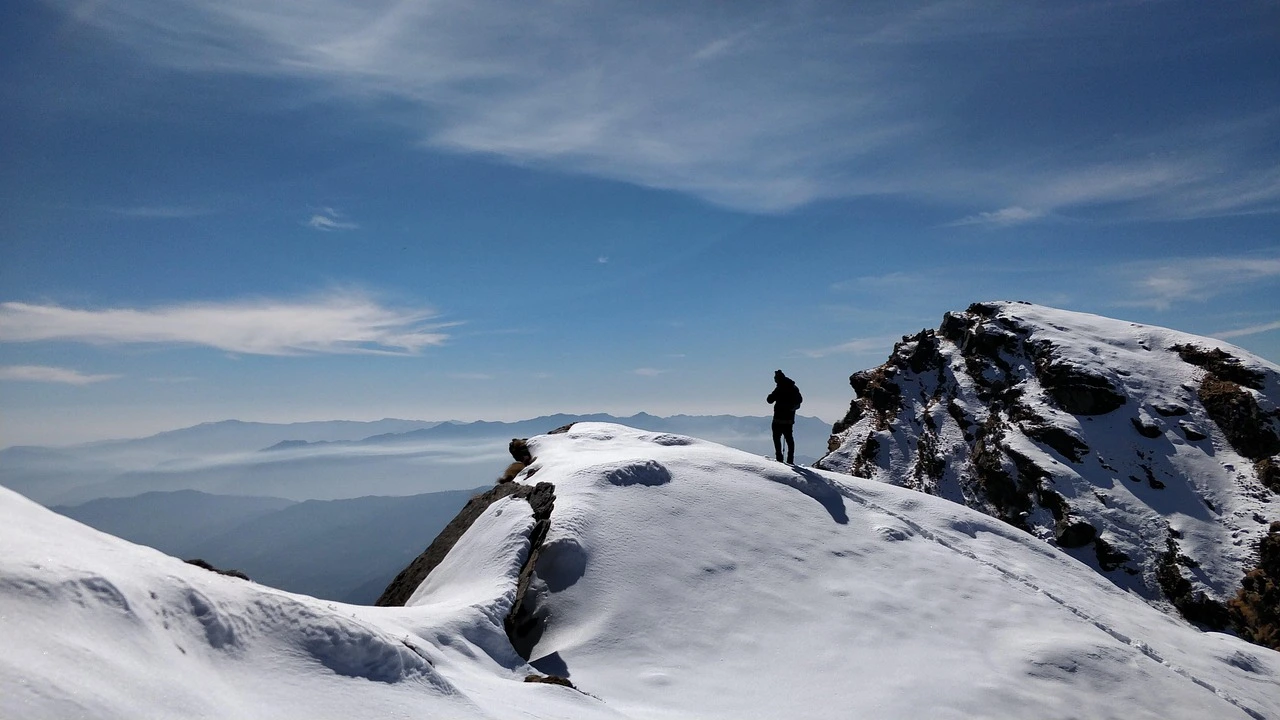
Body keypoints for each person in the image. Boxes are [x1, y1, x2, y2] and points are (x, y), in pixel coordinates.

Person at [767, 369, 802, 463]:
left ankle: (779, 458)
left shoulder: (779, 388)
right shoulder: (793, 387)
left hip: (778, 418)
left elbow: (769, 400)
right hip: (789, 419)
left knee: (776, 438)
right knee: (789, 439)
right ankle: (790, 459)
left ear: (778, 378)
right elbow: (799, 400)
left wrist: (771, 395)